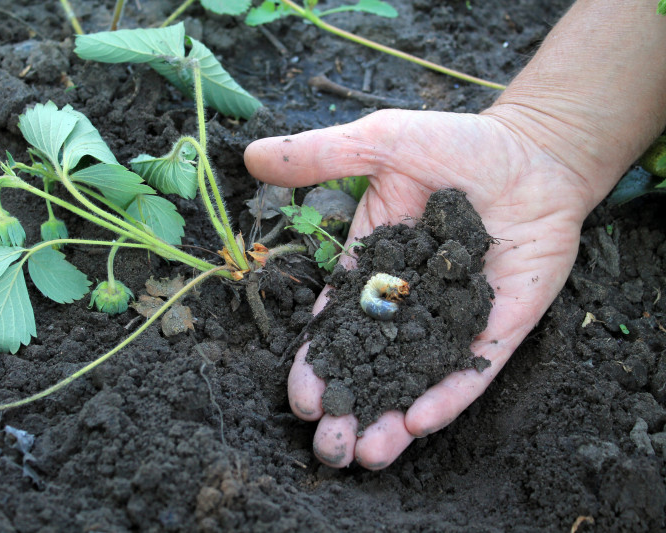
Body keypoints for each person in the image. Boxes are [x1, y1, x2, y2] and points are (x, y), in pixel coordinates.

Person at [243, 0, 666, 470]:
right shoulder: (401, 273)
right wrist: (547, 137)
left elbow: (398, 294)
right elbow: (383, 297)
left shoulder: (439, 275)